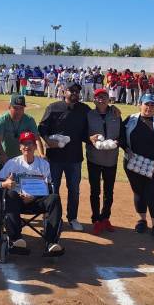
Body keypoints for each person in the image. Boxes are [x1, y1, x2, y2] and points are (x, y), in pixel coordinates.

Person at [0, 131, 65, 256]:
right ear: (20, 147)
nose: (27, 146)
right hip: (17, 202)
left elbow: (50, 186)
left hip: (37, 201)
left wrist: (34, 196)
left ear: (35, 146)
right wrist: (5, 184)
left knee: (54, 198)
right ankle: (16, 240)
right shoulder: (12, 163)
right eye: (24, 144)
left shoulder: (43, 164)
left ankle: (51, 242)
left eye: (30, 143)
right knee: (10, 194)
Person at [38, 83, 90, 231]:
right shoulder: (53, 107)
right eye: (71, 90)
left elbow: (94, 123)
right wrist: (48, 141)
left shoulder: (84, 109)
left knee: (74, 190)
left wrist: (112, 109)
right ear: (64, 91)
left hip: (75, 158)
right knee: (53, 189)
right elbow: (42, 128)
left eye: (77, 91)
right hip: (55, 157)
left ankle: (72, 218)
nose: (74, 93)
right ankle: (52, 218)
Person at [122, 93, 154, 241]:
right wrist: (126, 149)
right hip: (134, 164)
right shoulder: (130, 120)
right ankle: (142, 220)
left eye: (152, 105)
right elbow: (120, 137)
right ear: (140, 104)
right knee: (139, 192)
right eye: (146, 104)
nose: (149, 107)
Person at [86, 88, 122, 235]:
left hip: (111, 159)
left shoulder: (115, 113)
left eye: (104, 97)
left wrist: (118, 142)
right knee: (95, 191)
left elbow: (122, 133)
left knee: (109, 192)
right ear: (94, 100)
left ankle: (105, 217)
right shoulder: (89, 115)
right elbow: (83, 134)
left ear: (109, 99)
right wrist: (89, 139)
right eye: (98, 97)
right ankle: (96, 220)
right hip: (94, 158)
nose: (101, 99)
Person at [0, 94, 43, 168]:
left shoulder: (29, 120)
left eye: (21, 108)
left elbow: (36, 139)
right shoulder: (1, 120)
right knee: (1, 179)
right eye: (15, 108)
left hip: (20, 160)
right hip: (2, 158)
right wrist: (3, 156)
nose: (19, 111)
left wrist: (41, 154)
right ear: (9, 107)